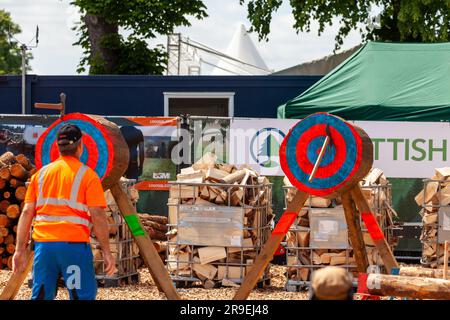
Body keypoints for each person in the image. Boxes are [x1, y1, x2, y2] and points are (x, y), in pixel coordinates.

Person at [12, 123, 117, 300]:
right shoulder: (88, 176)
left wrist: (19, 250)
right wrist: (106, 251)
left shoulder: (41, 175)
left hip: (44, 248)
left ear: (57, 147)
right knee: (80, 296)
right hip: (74, 247)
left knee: (41, 296)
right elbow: (98, 216)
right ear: (81, 146)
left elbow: (27, 212)